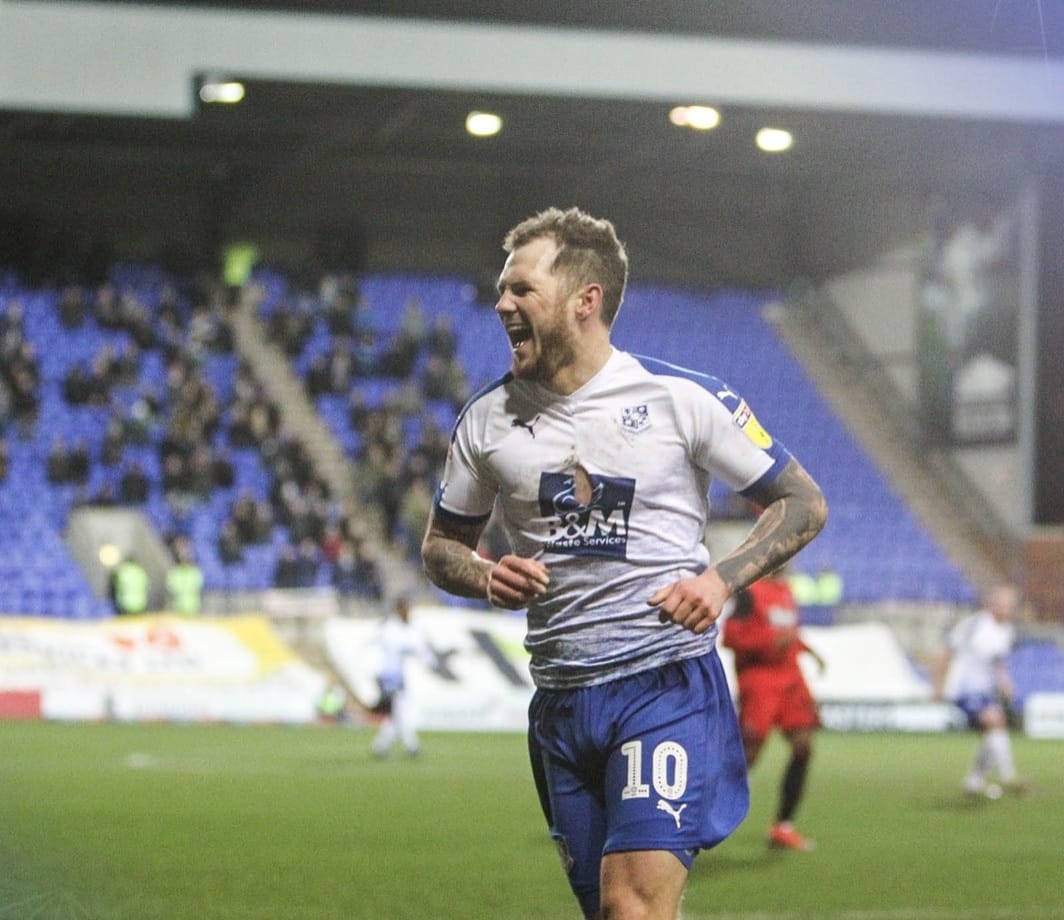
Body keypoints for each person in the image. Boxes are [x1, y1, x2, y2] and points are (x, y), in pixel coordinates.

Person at [421, 207, 828, 920]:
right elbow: (440, 546)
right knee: (619, 912)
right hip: (560, 700)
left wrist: (720, 579)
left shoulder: (682, 398)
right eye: (502, 289)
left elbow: (802, 502)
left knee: (631, 908)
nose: (502, 304)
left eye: (522, 289)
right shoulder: (486, 420)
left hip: (662, 684)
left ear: (586, 300)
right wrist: (485, 575)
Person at [722, 566, 825, 851]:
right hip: (760, 681)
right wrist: (769, 643)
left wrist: (810, 651)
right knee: (749, 754)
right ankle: (701, 813)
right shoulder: (749, 594)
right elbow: (729, 637)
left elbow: (789, 633)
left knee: (803, 746)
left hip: (790, 679)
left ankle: (783, 826)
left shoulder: (786, 591)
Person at [934, 583, 1032, 799]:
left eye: (1011, 606)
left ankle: (974, 781)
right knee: (995, 722)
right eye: (1005, 605)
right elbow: (946, 651)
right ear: (992, 604)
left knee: (992, 732)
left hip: (985, 691)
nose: (1009, 610)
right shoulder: (974, 625)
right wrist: (938, 686)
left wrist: (1005, 683)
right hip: (963, 689)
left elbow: (997, 662)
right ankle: (1008, 776)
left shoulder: (1006, 631)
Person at [370, 595, 438, 759]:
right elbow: (406, 646)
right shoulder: (390, 627)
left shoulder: (399, 627)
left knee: (397, 715)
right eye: (406, 609)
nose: (409, 612)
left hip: (396, 676)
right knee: (401, 712)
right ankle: (411, 746)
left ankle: (381, 747)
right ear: (399, 609)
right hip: (389, 676)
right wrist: (427, 657)